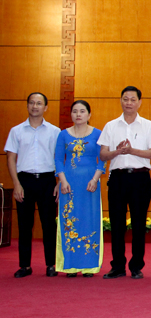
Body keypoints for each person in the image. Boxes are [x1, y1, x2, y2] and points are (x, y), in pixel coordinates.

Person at [98, 86, 151, 279]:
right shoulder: (111, 126)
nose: (129, 103)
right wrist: (118, 152)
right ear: (120, 101)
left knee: (138, 223)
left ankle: (136, 266)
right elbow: (103, 154)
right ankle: (117, 266)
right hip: (117, 178)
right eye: (125, 99)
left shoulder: (148, 125)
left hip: (140, 178)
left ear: (139, 102)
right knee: (117, 224)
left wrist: (131, 150)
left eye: (133, 99)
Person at [4, 92, 60, 278]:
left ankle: (51, 264)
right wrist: (16, 184)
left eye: (39, 103)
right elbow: (11, 159)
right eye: (32, 103)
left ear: (45, 107)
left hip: (47, 181)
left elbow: (60, 159)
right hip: (24, 181)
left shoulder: (54, 131)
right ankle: (25, 266)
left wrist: (58, 183)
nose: (35, 106)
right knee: (24, 225)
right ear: (27, 106)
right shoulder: (16, 131)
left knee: (48, 225)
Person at [55, 100, 106, 277]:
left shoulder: (98, 134)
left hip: (90, 184)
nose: (78, 114)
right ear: (71, 115)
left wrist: (95, 179)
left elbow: (103, 160)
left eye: (82, 111)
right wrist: (62, 181)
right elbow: (58, 160)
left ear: (89, 115)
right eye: (75, 111)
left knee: (89, 220)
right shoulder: (63, 135)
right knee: (70, 220)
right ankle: (70, 265)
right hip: (69, 185)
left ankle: (89, 265)